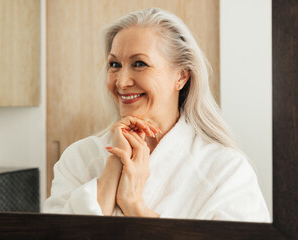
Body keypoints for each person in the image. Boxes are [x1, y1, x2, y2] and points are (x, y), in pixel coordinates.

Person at [44, 8, 270, 222]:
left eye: (139, 63)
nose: (121, 81)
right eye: (114, 64)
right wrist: (113, 168)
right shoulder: (79, 158)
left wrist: (134, 205)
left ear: (181, 76)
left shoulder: (225, 169)